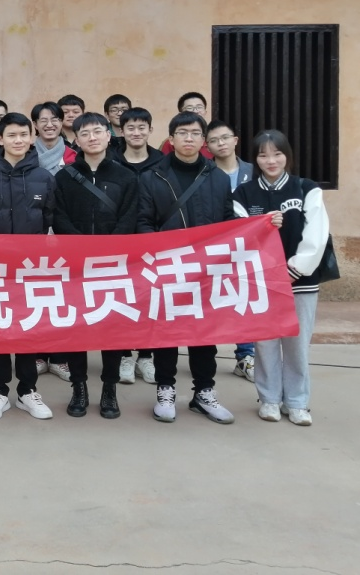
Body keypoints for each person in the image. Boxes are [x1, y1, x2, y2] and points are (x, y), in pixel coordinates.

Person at [137, 111, 234, 424]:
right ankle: (165, 391)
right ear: (171, 138)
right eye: (182, 133)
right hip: (168, 268)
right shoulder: (152, 177)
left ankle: (204, 392)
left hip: (206, 271)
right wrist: (161, 254)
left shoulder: (218, 177)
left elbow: (228, 222)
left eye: (194, 133)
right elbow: (144, 222)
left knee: (204, 335)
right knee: (166, 333)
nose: (188, 138)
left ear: (203, 140)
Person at [233, 130, 329, 426]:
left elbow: (317, 235)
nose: (271, 160)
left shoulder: (307, 189)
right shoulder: (244, 193)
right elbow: (239, 233)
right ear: (255, 159)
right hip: (262, 281)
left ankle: (297, 402)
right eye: (263, 155)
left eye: (277, 154)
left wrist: (294, 270)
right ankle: (270, 399)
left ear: (287, 155)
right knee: (265, 343)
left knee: (297, 344)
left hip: (301, 282)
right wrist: (261, 225)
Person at [52, 112, 139, 420]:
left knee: (110, 328)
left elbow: (130, 216)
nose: (92, 137)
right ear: (76, 139)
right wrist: (81, 247)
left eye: (97, 131)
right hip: (75, 264)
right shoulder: (64, 178)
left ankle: (109, 389)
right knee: (77, 328)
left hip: (113, 265)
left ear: (108, 135)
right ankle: (79, 387)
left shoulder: (126, 176)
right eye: (85, 133)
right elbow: (58, 216)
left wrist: (108, 248)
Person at [0, 114, 56, 421]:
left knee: (28, 330)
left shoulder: (44, 178)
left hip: (31, 270)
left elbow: (48, 220)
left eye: (23, 134)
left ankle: (27, 391)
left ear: (32, 137)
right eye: (12, 135)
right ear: (0, 139)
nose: (18, 140)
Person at [108, 106, 161, 384]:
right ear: (121, 130)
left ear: (150, 130)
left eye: (142, 127)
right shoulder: (112, 161)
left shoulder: (162, 162)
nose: (136, 132)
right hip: (121, 241)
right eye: (130, 127)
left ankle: (146, 356)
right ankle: (125, 355)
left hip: (153, 240)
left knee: (150, 298)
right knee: (123, 299)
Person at [207, 119, 257, 382]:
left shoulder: (254, 170)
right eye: (214, 140)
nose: (221, 144)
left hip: (250, 248)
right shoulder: (204, 173)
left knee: (245, 300)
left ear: (235, 140)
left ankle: (246, 356)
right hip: (214, 249)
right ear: (208, 146)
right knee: (211, 301)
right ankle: (206, 358)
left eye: (225, 138)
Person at [159, 92, 213, 158]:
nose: (195, 111)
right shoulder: (172, 142)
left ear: (205, 112)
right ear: (181, 114)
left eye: (199, 107)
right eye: (189, 108)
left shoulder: (214, 139)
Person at [31, 101, 77, 176]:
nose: (49, 125)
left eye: (54, 120)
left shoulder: (73, 156)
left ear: (61, 123)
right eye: (44, 121)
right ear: (35, 125)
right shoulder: (27, 155)